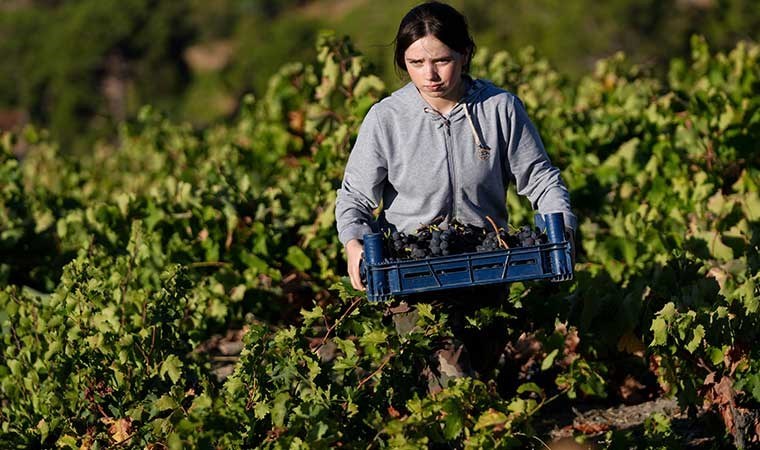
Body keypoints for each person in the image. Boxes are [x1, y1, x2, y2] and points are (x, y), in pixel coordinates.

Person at [334, 1, 576, 391]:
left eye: (441, 61)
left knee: (476, 386)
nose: (429, 75)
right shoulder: (386, 119)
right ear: (402, 62)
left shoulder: (500, 109)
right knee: (453, 384)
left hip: (488, 269)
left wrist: (562, 226)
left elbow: (541, 179)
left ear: (465, 54)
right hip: (413, 277)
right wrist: (353, 243)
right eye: (415, 63)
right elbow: (355, 199)